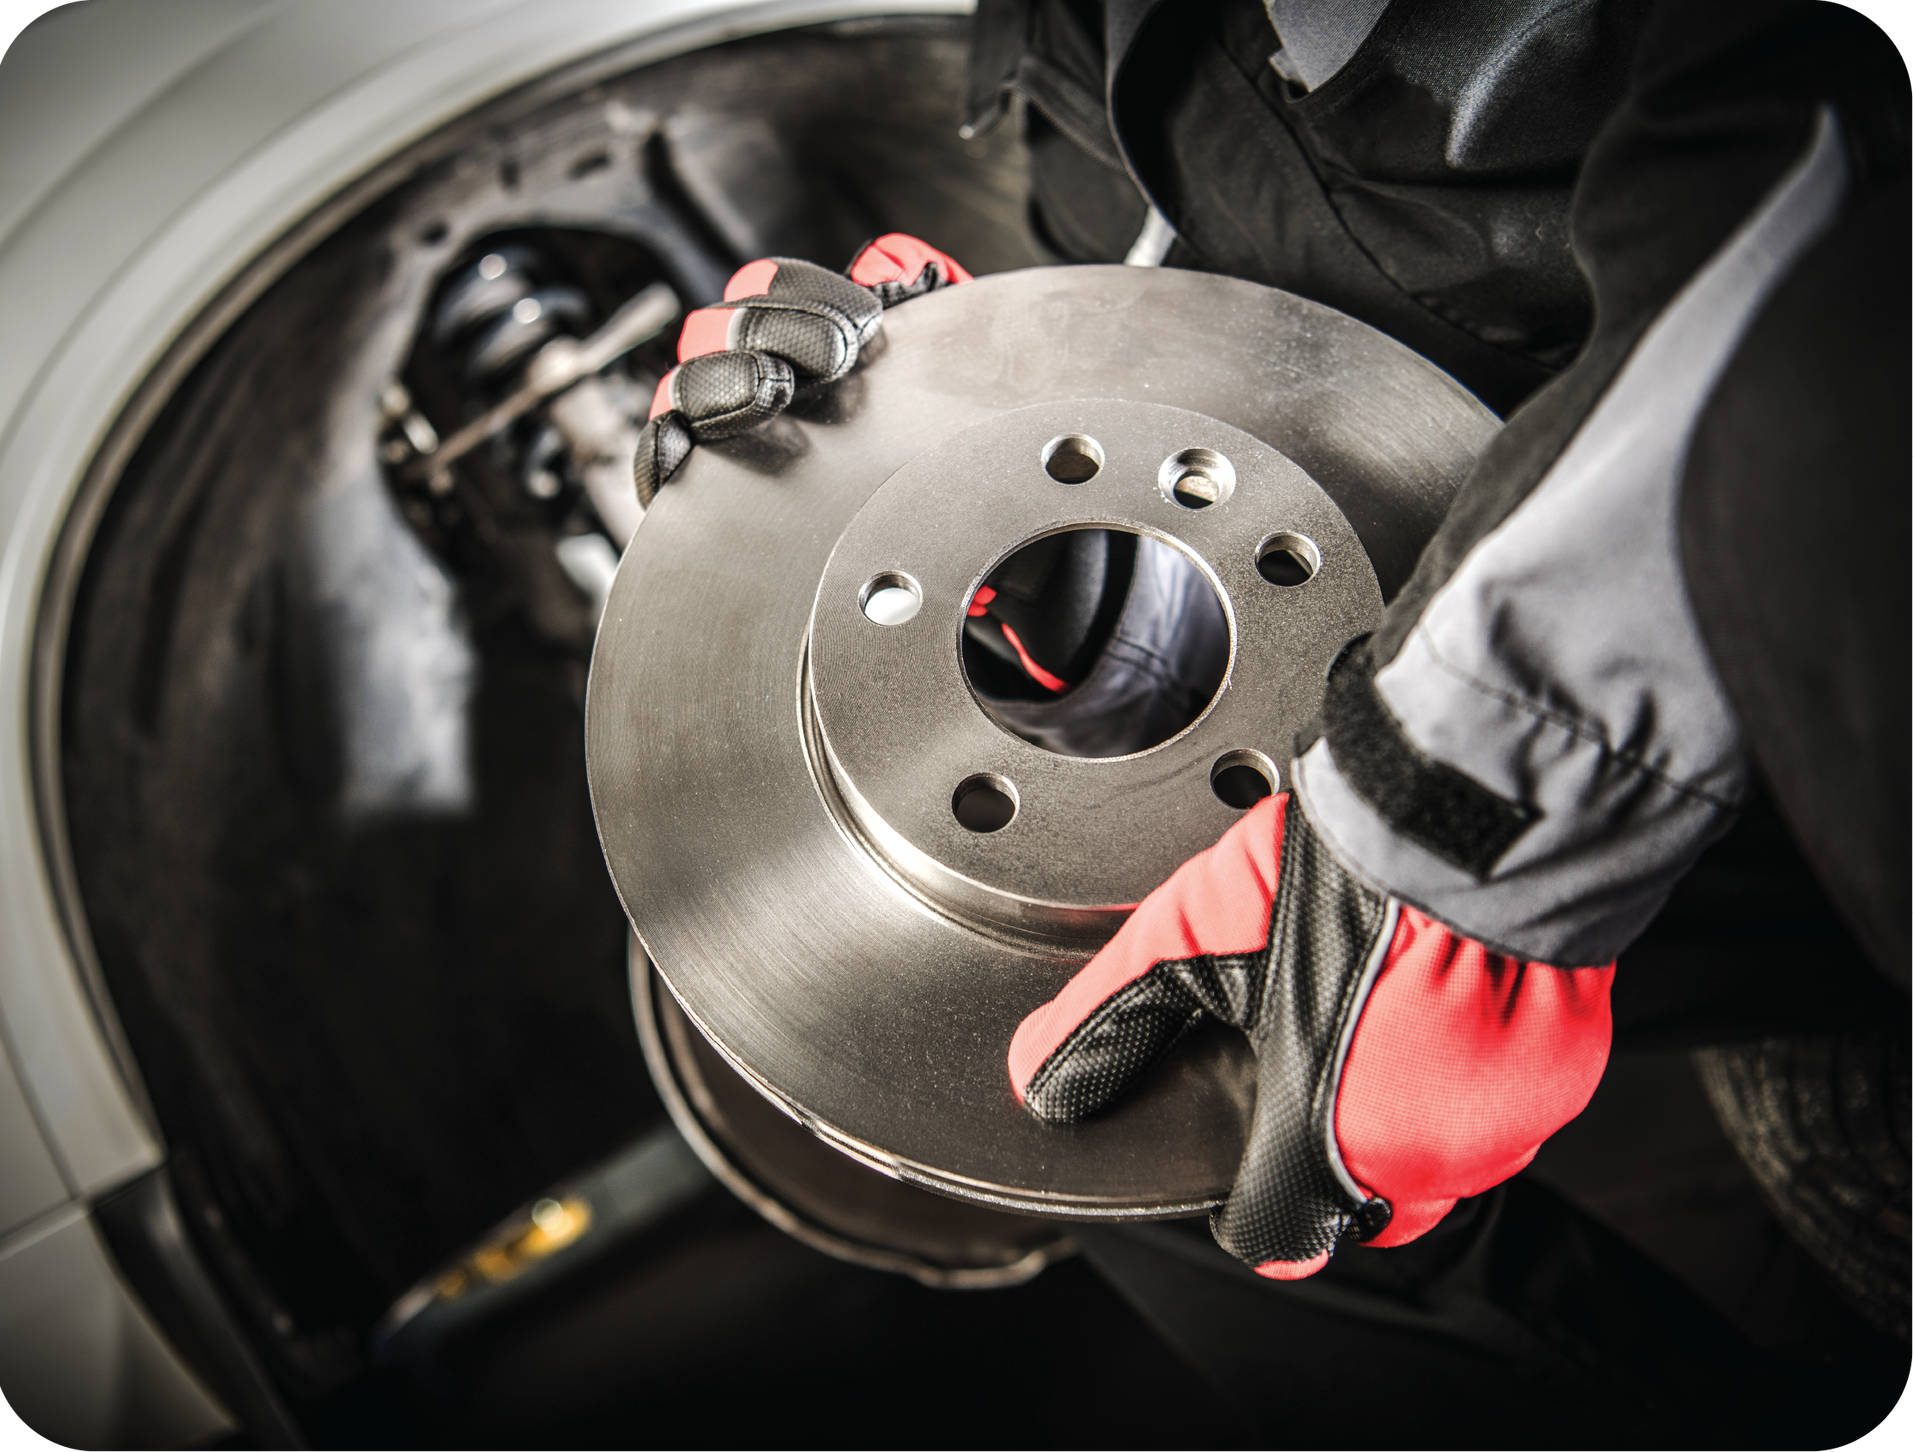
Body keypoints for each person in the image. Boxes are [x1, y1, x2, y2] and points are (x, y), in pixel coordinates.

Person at [635, 1, 1912, 1439]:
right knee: (1083, 1089)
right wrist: (1081, 580)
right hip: (1468, 657)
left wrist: (1447, 826)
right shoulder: (1076, 32)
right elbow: (1273, 375)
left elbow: (1837, 196)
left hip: (1783, 638)